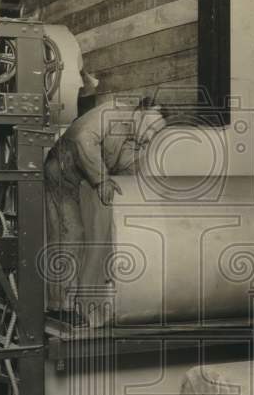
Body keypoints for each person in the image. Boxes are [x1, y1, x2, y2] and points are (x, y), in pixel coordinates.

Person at [44, 97, 166, 318]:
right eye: (151, 128)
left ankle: (84, 301)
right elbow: (83, 139)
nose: (150, 136)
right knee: (70, 234)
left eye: (156, 134)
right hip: (62, 174)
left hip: (84, 181)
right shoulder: (113, 111)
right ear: (141, 111)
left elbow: (131, 171)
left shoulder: (134, 139)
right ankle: (59, 307)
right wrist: (102, 180)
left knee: (96, 236)